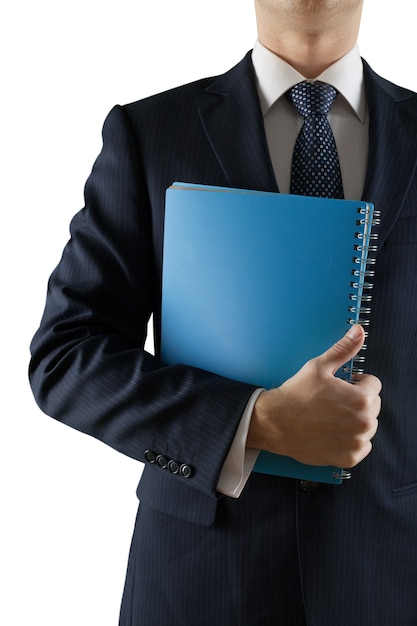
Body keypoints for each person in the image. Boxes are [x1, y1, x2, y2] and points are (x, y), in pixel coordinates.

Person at [29, 1, 417, 624]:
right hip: (202, 579)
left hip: (394, 571)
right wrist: (251, 422)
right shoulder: (149, 131)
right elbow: (67, 356)